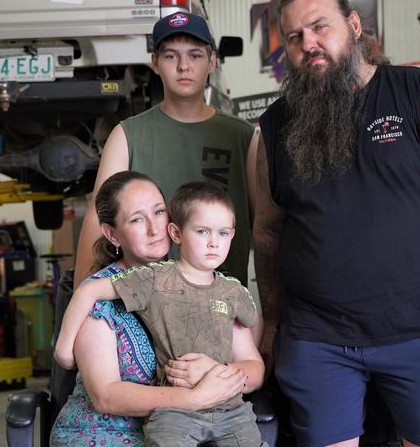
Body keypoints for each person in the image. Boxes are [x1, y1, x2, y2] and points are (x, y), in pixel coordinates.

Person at [253, 0, 420, 447]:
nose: (309, 44)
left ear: (354, 25)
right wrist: (274, 321)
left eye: (321, 27)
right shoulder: (271, 129)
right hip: (317, 341)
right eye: (295, 37)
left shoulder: (416, 93)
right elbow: (267, 232)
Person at [56, 180, 266, 447]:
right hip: (106, 433)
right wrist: (195, 398)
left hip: (188, 428)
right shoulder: (102, 296)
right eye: (136, 220)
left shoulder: (212, 287)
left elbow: (251, 361)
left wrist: (216, 371)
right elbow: (105, 397)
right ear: (112, 234)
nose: (154, 229)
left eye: (158, 212)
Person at [73, 11, 258, 296]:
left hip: (221, 308)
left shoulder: (243, 136)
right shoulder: (127, 135)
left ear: (212, 62)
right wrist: (82, 300)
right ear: (155, 63)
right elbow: (98, 219)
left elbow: (264, 224)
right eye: (171, 56)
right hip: (145, 307)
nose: (184, 66)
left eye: (195, 55)